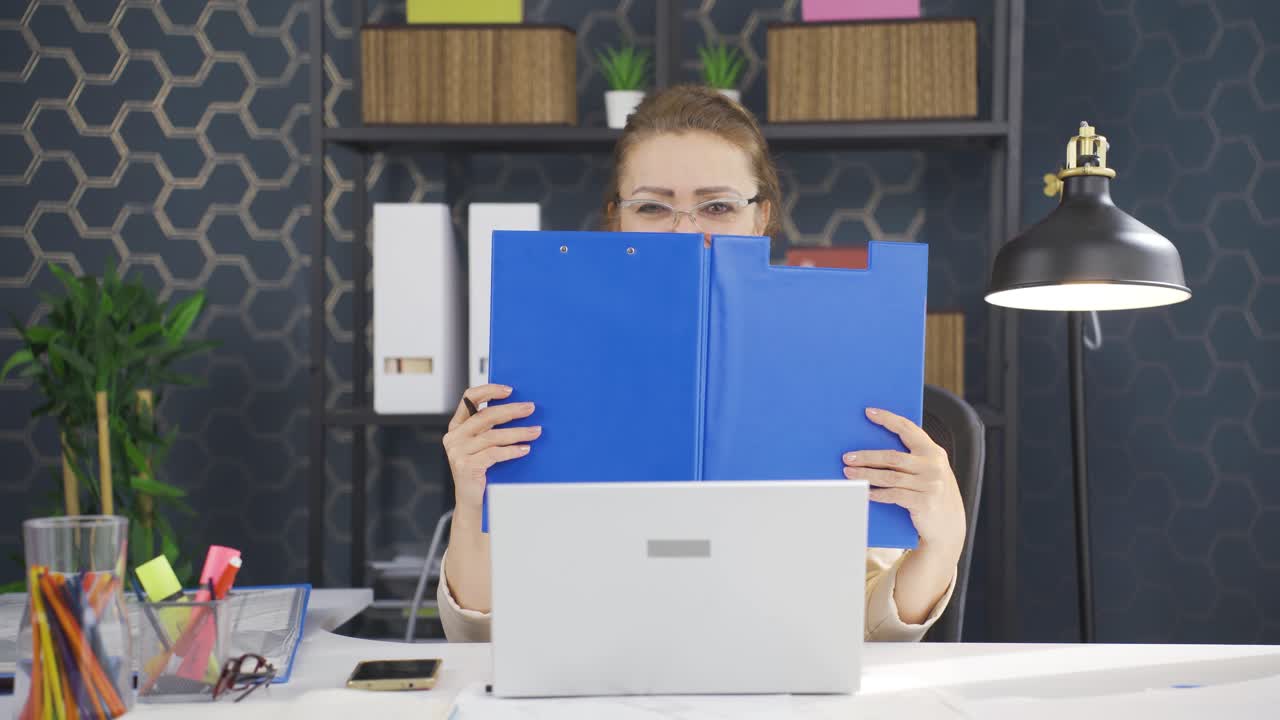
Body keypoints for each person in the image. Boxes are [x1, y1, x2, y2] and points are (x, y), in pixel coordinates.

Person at [437, 84, 966, 643]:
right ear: (617, 218)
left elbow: (872, 637)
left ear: (760, 216)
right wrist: (472, 505)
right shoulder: (543, 376)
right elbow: (476, 640)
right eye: (653, 207)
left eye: (716, 206)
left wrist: (942, 544)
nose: (686, 232)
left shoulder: (839, 361)